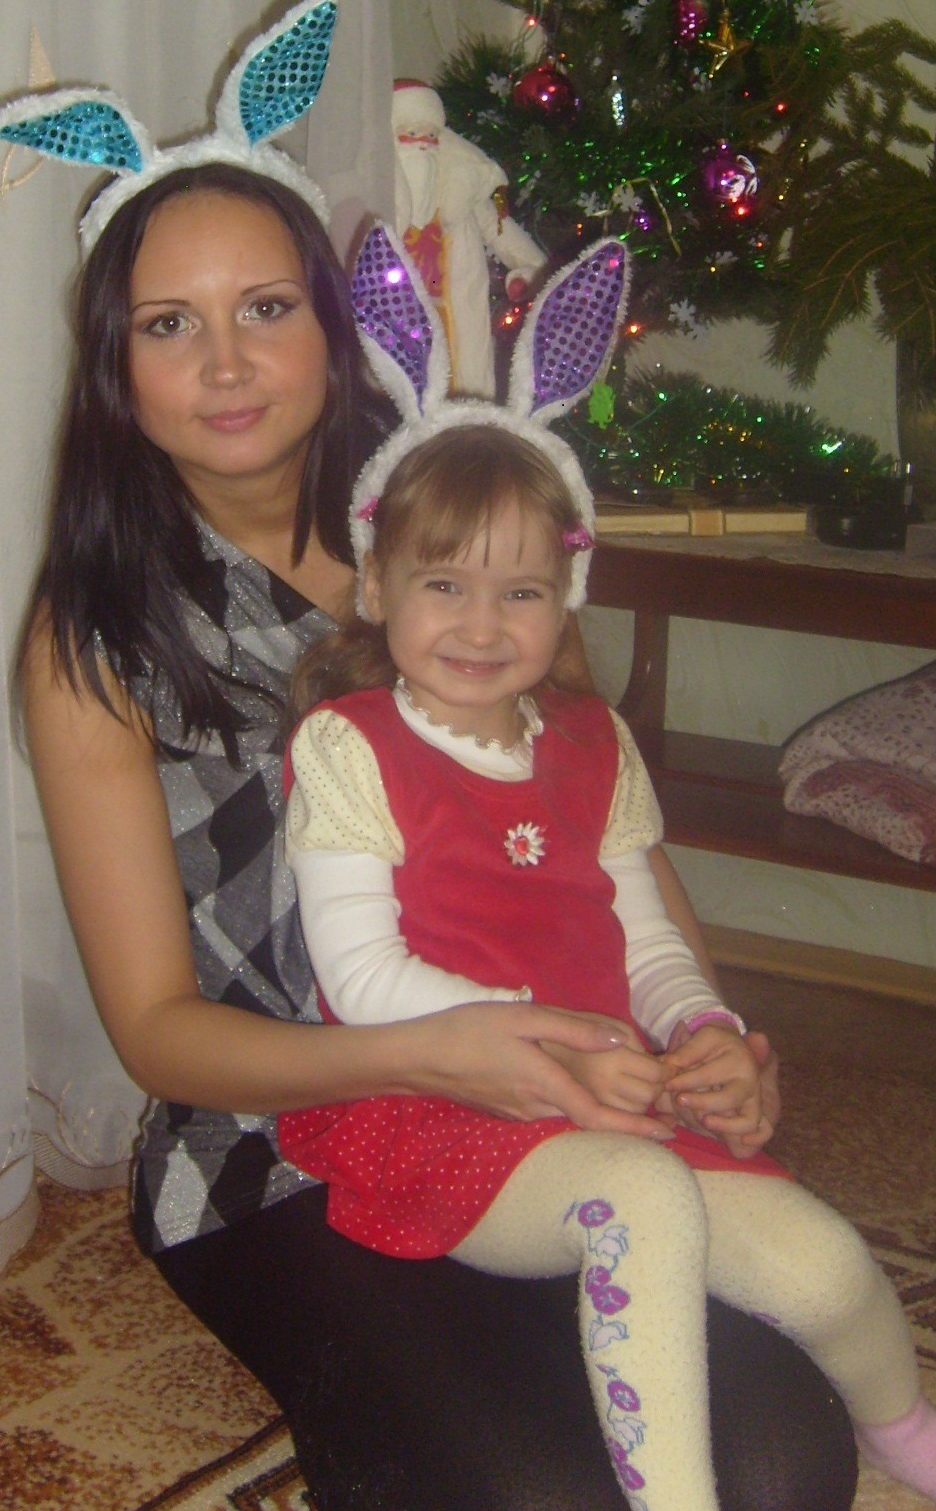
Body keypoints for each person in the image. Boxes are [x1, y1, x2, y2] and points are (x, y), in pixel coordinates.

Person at [0, 0, 863, 1509]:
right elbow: (157, 1033)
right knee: (535, 1488)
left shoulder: (459, 531)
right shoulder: (95, 643)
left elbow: (604, 831)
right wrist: (430, 1050)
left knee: (786, 1455)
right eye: (168, 323)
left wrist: (699, 1030)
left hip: (552, 1091)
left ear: (335, 326)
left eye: (268, 307)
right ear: (113, 364)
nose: (226, 363)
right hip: (280, 1140)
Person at [277, 411, 936, 1507]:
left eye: (520, 591)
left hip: (613, 1091)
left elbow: (645, 936)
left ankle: (905, 1432)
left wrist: (702, 1028)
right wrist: (565, 1049)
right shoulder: (351, 745)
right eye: (443, 584)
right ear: (379, 588)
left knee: (824, 1267)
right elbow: (361, 979)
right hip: (441, 1107)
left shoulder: (594, 741)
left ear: (565, 598)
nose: (481, 625)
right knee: (640, 1198)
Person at [392, 79, 546, 396]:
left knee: (467, 394)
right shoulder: (376, 199)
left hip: (457, 323)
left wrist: (534, 272)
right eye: (411, 134)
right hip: (399, 326)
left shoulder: (462, 195)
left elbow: (501, 232)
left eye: (431, 136)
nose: (422, 145)